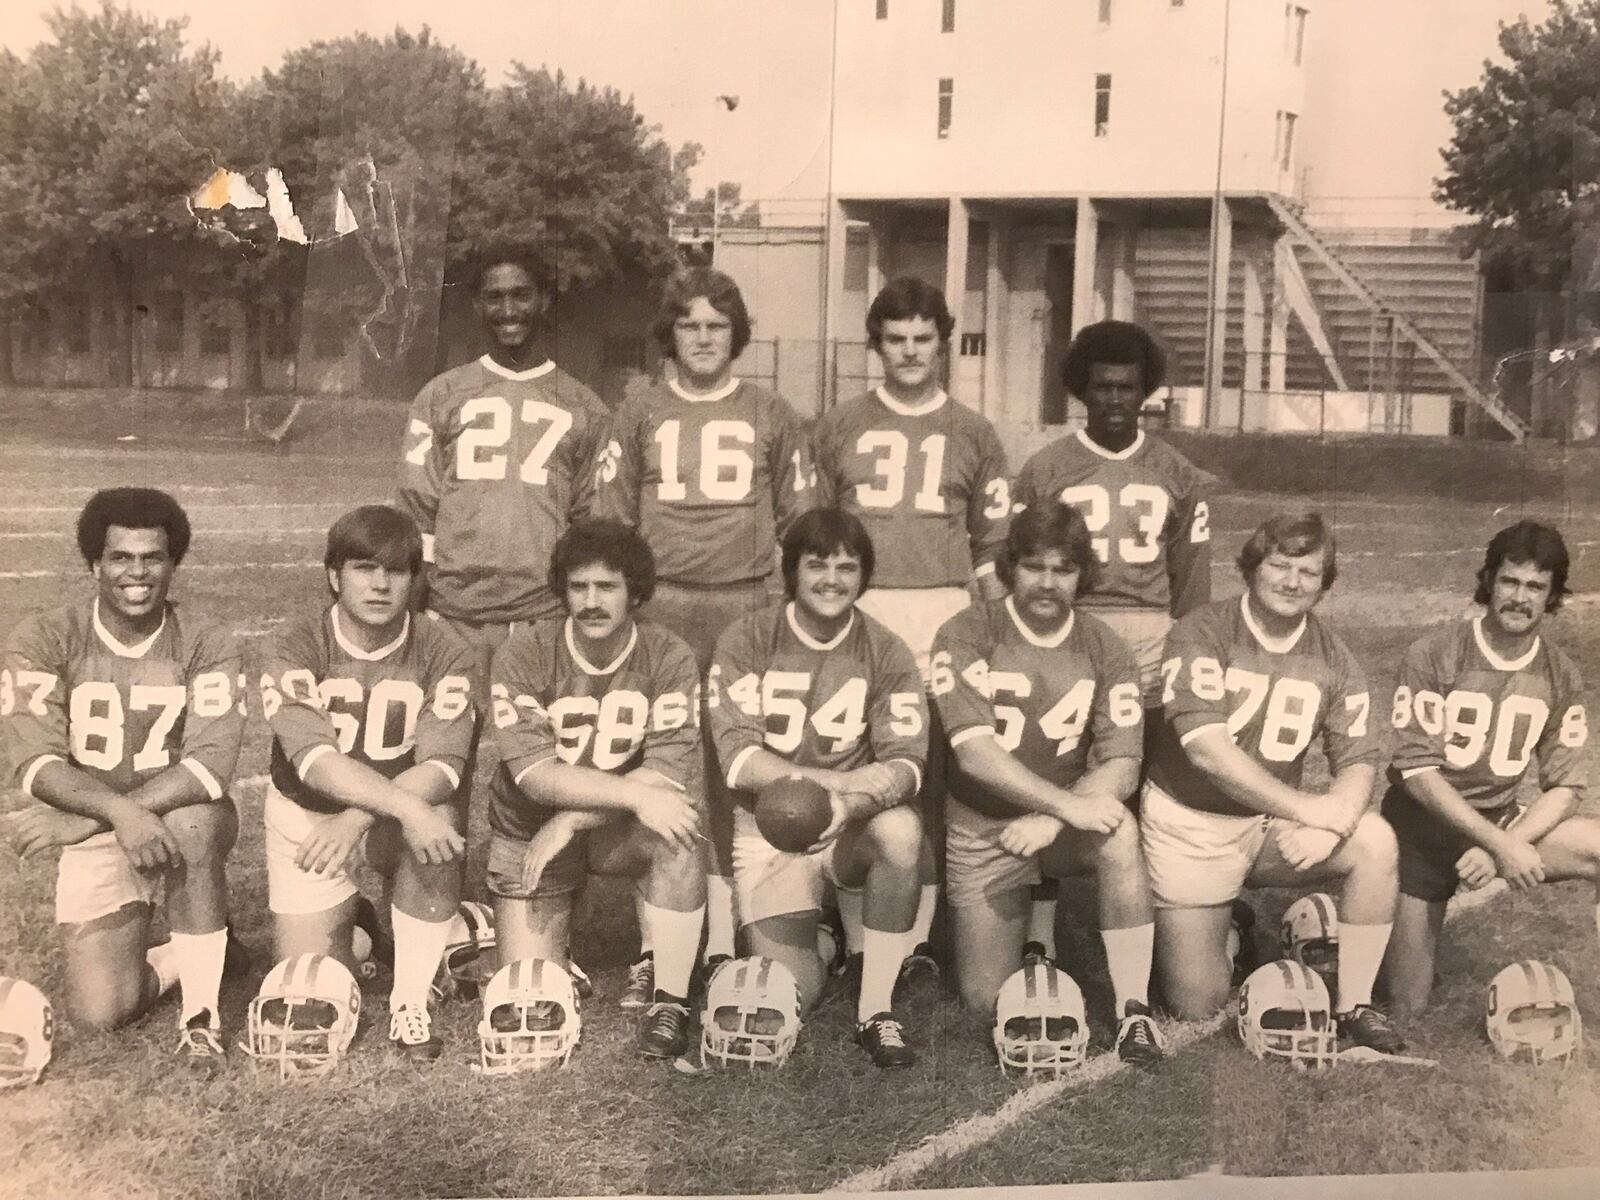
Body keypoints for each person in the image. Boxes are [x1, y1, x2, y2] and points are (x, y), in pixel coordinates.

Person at [595, 267, 815, 1000]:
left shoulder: (772, 412)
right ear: (670, 333)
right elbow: (612, 523)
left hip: (746, 605)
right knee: (664, 766)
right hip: (662, 612)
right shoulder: (639, 410)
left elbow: (800, 525)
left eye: (716, 326)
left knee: (742, 767)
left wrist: (780, 610)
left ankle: (740, 928)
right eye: (689, 325)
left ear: (737, 334)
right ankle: (662, 945)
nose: (702, 338)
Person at [1141, 512, 1404, 1053]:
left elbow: (1358, 759)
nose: (1291, 582)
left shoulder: (1333, 654)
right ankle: (1231, 927)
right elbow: (1208, 752)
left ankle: (1353, 1004)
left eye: (1308, 572)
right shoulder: (1202, 630)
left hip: (1265, 826)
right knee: (1198, 1005)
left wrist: (1337, 821)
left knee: (1375, 840)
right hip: (1192, 823)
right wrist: (1309, 811)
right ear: (1252, 569)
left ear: (1324, 583)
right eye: (1279, 565)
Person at [1, 488, 243, 1070]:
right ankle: (205, 949)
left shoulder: (206, 641)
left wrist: (97, 816)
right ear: (94, 564)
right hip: (106, 821)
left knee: (191, 822)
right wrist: (118, 816)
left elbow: (210, 764)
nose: (137, 573)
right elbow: (33, 759)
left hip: (169, 812)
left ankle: (202, 1019)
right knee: (103, 1010)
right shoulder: (45, 637)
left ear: (173, 564)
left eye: (152, 558)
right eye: (120, 558)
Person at [811, 276, 1011, 975]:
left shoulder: (974, 430)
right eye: (895, 340)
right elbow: (815, 534)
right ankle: (853, 930)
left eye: (922, 339)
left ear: (943, 343)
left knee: (923, 776)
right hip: (857, 609)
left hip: (941, 612)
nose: (909, 352)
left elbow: (990, 546)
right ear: (876, 346)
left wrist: (988, 630)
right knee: (849, 757)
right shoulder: (838, 425)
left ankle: (917, 936)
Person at [929, 503, 1162, 1063]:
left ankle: (1134, 1009)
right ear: (1010, 566)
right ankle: (1033, 926)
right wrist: (1060, 806)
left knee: (1119, 831)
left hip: (1063, 822)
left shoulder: (1105, 645)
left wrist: (1054, 817)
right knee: (986, 1000)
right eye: (1034, 566)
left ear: (1083, 575)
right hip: (986, 824)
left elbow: (1123, 763)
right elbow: (976, 755)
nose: (1048, 582)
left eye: (1064, 569)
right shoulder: (967, 631)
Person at [1012, 320, 1212, 962]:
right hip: (1066, 629)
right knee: (1052, 766)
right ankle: (1041, 930)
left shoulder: (1177, 472)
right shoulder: (1047, 467)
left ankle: (1150, 917)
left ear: (1146, 391)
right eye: (1103, 387)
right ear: (1082, 390)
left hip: (1150, 636)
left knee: (1149, 776)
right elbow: (1021, 565)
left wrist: (1180, 656)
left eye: (1129, 387)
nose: (1117, 400)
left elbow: (1191, 585)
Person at [709, 509, 929, 1067]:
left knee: (901, 831)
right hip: (771, 826)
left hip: (850, 825)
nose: (832, 579)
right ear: (792, 571)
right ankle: (831, 940)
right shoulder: (748, 638)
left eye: (847, 567)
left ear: (864, 575)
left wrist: (847, 803)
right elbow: (737, 761)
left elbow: (907, 765)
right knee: (790, 991)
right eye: (817, 565)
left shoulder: (887, 648)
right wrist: (836, 781)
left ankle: (876, 1008)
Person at [256, 505, 472, 1061]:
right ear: (333, 576)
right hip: (308, 818)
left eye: (396, 571)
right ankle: (365, 928)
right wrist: (372, 811)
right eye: (362, 568)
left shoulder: (443, 647)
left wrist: (359, 816)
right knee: (313, 984)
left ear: (413, 579)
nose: (380, 584)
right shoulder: (297, 642)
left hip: (382, 820)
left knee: (438, 822)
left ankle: (411, 1000)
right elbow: (313, 761)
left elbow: (444, 765)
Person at [487, 520, 706, 1060]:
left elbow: (667, 770)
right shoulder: (525, 651)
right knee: (530, 999)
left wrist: (574, 819)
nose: (590, 601)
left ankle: (671, 1000)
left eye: (606, 587)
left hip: (608, 828)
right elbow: (535, 775)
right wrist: (618, 799)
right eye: (578, 586)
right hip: (529, 821)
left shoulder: (668, 653)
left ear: (635, 590)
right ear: (562, 589)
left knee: (676, 832)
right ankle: (532, 939)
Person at [1379, 521, 1600, 1018]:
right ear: (1489, 581)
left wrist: (1507, 840)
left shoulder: (1560, 672)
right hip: (1422, 827)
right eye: (1510, 582)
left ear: (1552, 596)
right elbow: (1418, 773)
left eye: (1536, 587)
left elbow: (1567, 785)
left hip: (1501, 817)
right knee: (1407, 1005)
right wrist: (1500, 846)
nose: (1520, 598)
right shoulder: (1434, 653)